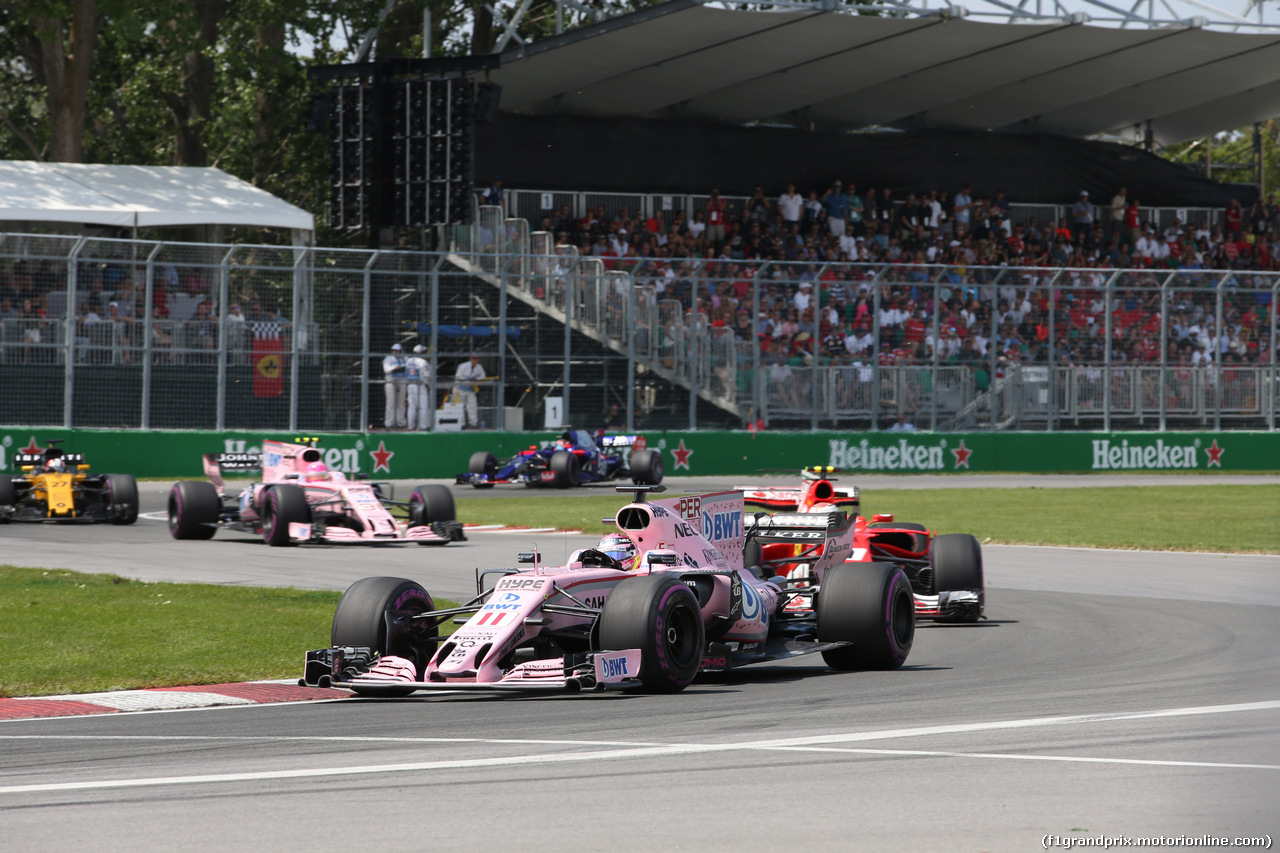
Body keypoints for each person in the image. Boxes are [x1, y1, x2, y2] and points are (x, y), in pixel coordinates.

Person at [454, 352, 486, 429]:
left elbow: (483, 377)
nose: (475, 360)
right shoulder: (463, 366)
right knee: (460, 407)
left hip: (471, 389)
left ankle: (473, 424)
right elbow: (458, 376)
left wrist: (476, 380)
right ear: (470, 358)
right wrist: (468, 381)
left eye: (476, 358)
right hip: (460, 389)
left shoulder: (479, 367)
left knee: (472, 406)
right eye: (473, 358)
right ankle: (461, 424)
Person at [405, 344, 432, 431]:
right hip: (420, 385)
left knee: (412, 406)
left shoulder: (408, 360)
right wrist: (427, 384)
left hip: (410, 385)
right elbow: (426, 377)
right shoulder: (423, 362)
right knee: (423, 406)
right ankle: (422, 426)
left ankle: (410, 426)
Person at [382, 343, 407, 429]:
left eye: (397, 351)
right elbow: (386, 369)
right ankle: (389, 423)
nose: (395, 352)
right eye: (394, 350)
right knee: (391, 403)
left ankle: (401, 423)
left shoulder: (404, 358)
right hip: (391, 382)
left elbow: (408, 364)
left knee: (401, 403)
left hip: (401, 381)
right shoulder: (388, 358)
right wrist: (395, 367)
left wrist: (403, 356)